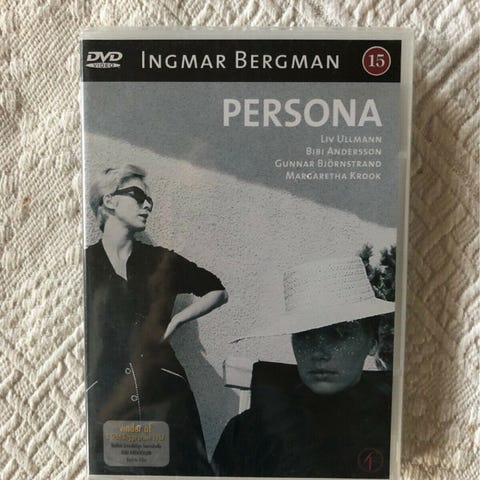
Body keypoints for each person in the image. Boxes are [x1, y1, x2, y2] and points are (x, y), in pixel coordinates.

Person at [85, 165, 228, 475]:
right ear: (109, 200)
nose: (147, 205)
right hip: (107, 393)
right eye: (138, 196)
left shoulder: (161, 260)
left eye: (150, 199)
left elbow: (217, 290)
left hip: (166, 394)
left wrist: (176, 322)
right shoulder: (84, 263)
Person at [212, 256, 394, 478]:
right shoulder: (249, 431)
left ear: (373, 342)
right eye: (305, 335)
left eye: (339, 334)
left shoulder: (398, 428)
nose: (319, 352)